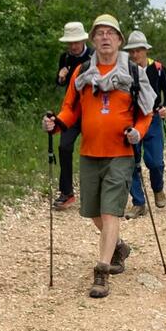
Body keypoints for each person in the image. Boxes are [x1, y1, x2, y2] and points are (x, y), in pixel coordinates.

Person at [43, 14, 155, 298]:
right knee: (92, 212)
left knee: (109, 211)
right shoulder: (82, 73)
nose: (105, 37)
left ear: (119, 40)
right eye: (100, 33)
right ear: (93, 40)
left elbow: (146, 113)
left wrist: (138, 132)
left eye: (110, 33)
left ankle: (102, 271)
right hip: (90, 153)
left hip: (120, 153)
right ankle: (118, 247)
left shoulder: (133, 72)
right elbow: (70, 109)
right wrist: (56, 124)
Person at [123, 30, 166, 218]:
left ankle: (158, 188)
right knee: (131, 161)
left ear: (146, 50)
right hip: (131, 120)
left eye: (139, 50)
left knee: (155, 162)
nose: (135, 54)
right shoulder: (125, 70)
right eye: (132, 51)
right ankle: (138, 202)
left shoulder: (158, 68)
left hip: (152, 118)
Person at [52, 21, 93, 210]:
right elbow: (61, 83)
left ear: (83, 40)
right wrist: (61, 77)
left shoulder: (94, 56)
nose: (73, 46)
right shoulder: (65, 57)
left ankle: (97, 191)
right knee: (64, 146)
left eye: (76, 42)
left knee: (94, 149)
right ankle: (67, 192)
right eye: (70, 43)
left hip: (92, 110)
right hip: (72, 111)